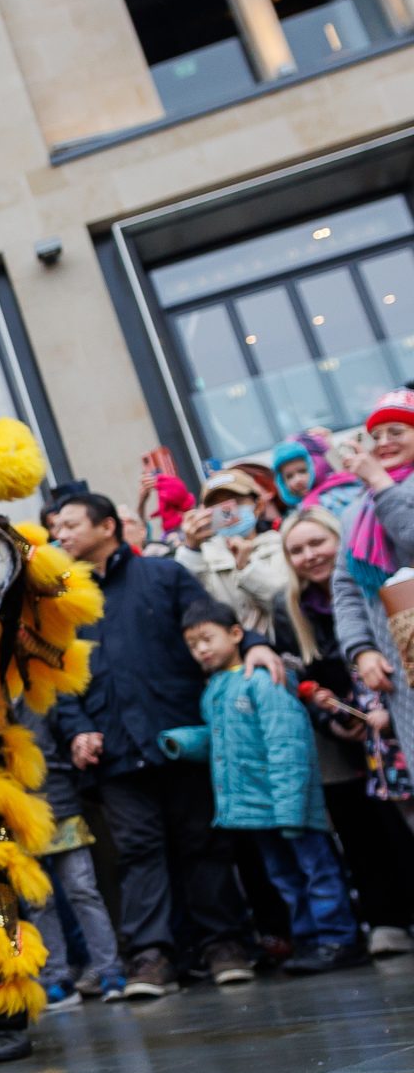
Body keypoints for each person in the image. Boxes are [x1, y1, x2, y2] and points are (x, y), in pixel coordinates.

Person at [52, 491, 281, 997]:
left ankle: (226, 945)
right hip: (112, 747)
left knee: (205, 843)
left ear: (107, 526)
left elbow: (214, 629)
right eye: (56, 528)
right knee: (137, 852)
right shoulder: (64, 600)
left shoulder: (164, 575)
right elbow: (57, 678)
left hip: (180, 738)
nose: (59, 535)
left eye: (69, 525)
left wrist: (258, 645)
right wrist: (76, 728)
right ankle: (151, 958)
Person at [169, 599, 366, 973]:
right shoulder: (214, 689)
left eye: (207, 639)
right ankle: (309, 940)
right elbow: (222, 740)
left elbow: (287, 743)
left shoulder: (263, 679)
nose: (201, 650)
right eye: (193, 646)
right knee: (285, 879)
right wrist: (185, 742)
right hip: (257, 810)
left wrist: (292, 806)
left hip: (289, 805)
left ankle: (339, 938)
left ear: (236, 634)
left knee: (316, 871)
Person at [273, 505, 414, 957]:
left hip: (393, 722)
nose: (310, 555)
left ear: (340, 540)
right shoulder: (291, 612)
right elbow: (301, 680)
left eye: (318, 543)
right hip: (345, 738)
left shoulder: (374, 585)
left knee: (401, 824)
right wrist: (331, 719)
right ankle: (385, 919)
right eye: (297, 549)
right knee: (359, 829)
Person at [16, 705, 125, 1007]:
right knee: (38, 900)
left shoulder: (40, 687)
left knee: (82, 890)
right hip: (16, 810)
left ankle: (109, 971)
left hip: (58, 799)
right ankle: (56, 978)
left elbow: (70, 718)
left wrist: (80, 737)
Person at [333, 389, 414, 792]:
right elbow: (345, 589)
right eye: (376, 435)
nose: (384, 443)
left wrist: (382, 484)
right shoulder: (353, 513)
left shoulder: (384, 491)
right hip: (401, 672)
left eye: (396, 431)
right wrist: (362, 650)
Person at [174, 470, 289, 633]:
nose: (227, 511)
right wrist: (191, 548)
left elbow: (288, 603)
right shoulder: (204, 556)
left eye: (235, 501)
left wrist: (247, 567)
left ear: (259, 506)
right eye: (216, 506)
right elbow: (186, 602)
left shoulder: (282, 545)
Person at [273, 429, 362, 518]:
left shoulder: (336, 489)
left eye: (302, 471)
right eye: (289, 476)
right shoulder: (301, 510)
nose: (297, 479)